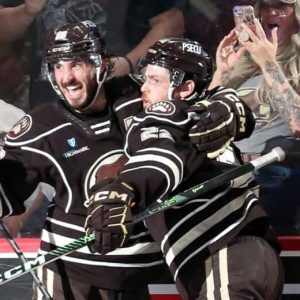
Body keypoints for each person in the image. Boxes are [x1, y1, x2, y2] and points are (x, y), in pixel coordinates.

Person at [0, 20, 259, 300]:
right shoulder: (40, 128)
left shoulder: (140, 96)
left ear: (100, 64)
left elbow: (191, 117)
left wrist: (223, 101)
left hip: (136, 276)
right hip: (70, 277)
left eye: (76, 64)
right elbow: (7, 191)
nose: (67, 77)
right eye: (58, 66)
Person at [85, 37, 284, 300]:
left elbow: (160, 155)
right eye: (145, 78)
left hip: (221, 256)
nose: (143, 88)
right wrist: (223, 86)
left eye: (154, 80)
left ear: (186, 87)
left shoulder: (163, 113)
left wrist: (124, 189)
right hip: (253, 258)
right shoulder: (207, 111)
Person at [208, 0, 300, 235]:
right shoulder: (246, 63)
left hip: (273, 176)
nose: (270, 13)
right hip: (226, 173)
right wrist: (222, 73)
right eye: (265, 6)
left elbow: (298, 122)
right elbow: (205, 122)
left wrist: (268, 62)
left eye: (280, 7)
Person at [27, 0, 185, 108]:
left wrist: (128, 63)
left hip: (112, 90)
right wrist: (26, 11)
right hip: (47, 94)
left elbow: (173, 22)